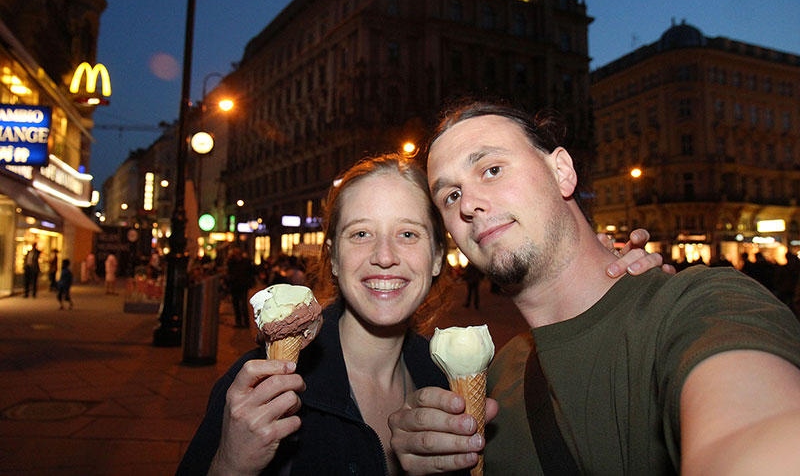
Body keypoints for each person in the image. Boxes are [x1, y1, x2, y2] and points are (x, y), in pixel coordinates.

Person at [177, 154, 664, 475]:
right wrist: (229, 465)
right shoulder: (257, 387)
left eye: (408, 234)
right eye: (361, 234)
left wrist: (615, 286)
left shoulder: (454, 379)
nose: (384, 256)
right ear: (332, 256)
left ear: (436, 258)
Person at [388, 101, 800, 475]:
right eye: (451, 194)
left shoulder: (700, 306)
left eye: (492, 169)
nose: (469, 204)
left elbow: (754, 429)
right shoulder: (495, 377)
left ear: (561, 171)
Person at [225, 247, 256, 328]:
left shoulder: (246, 262)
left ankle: (245, 323)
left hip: (243, 285)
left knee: (243, 304)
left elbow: (252, 272)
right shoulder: (231, 262)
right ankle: (239, 322)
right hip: (235, 285)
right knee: (236, 304)